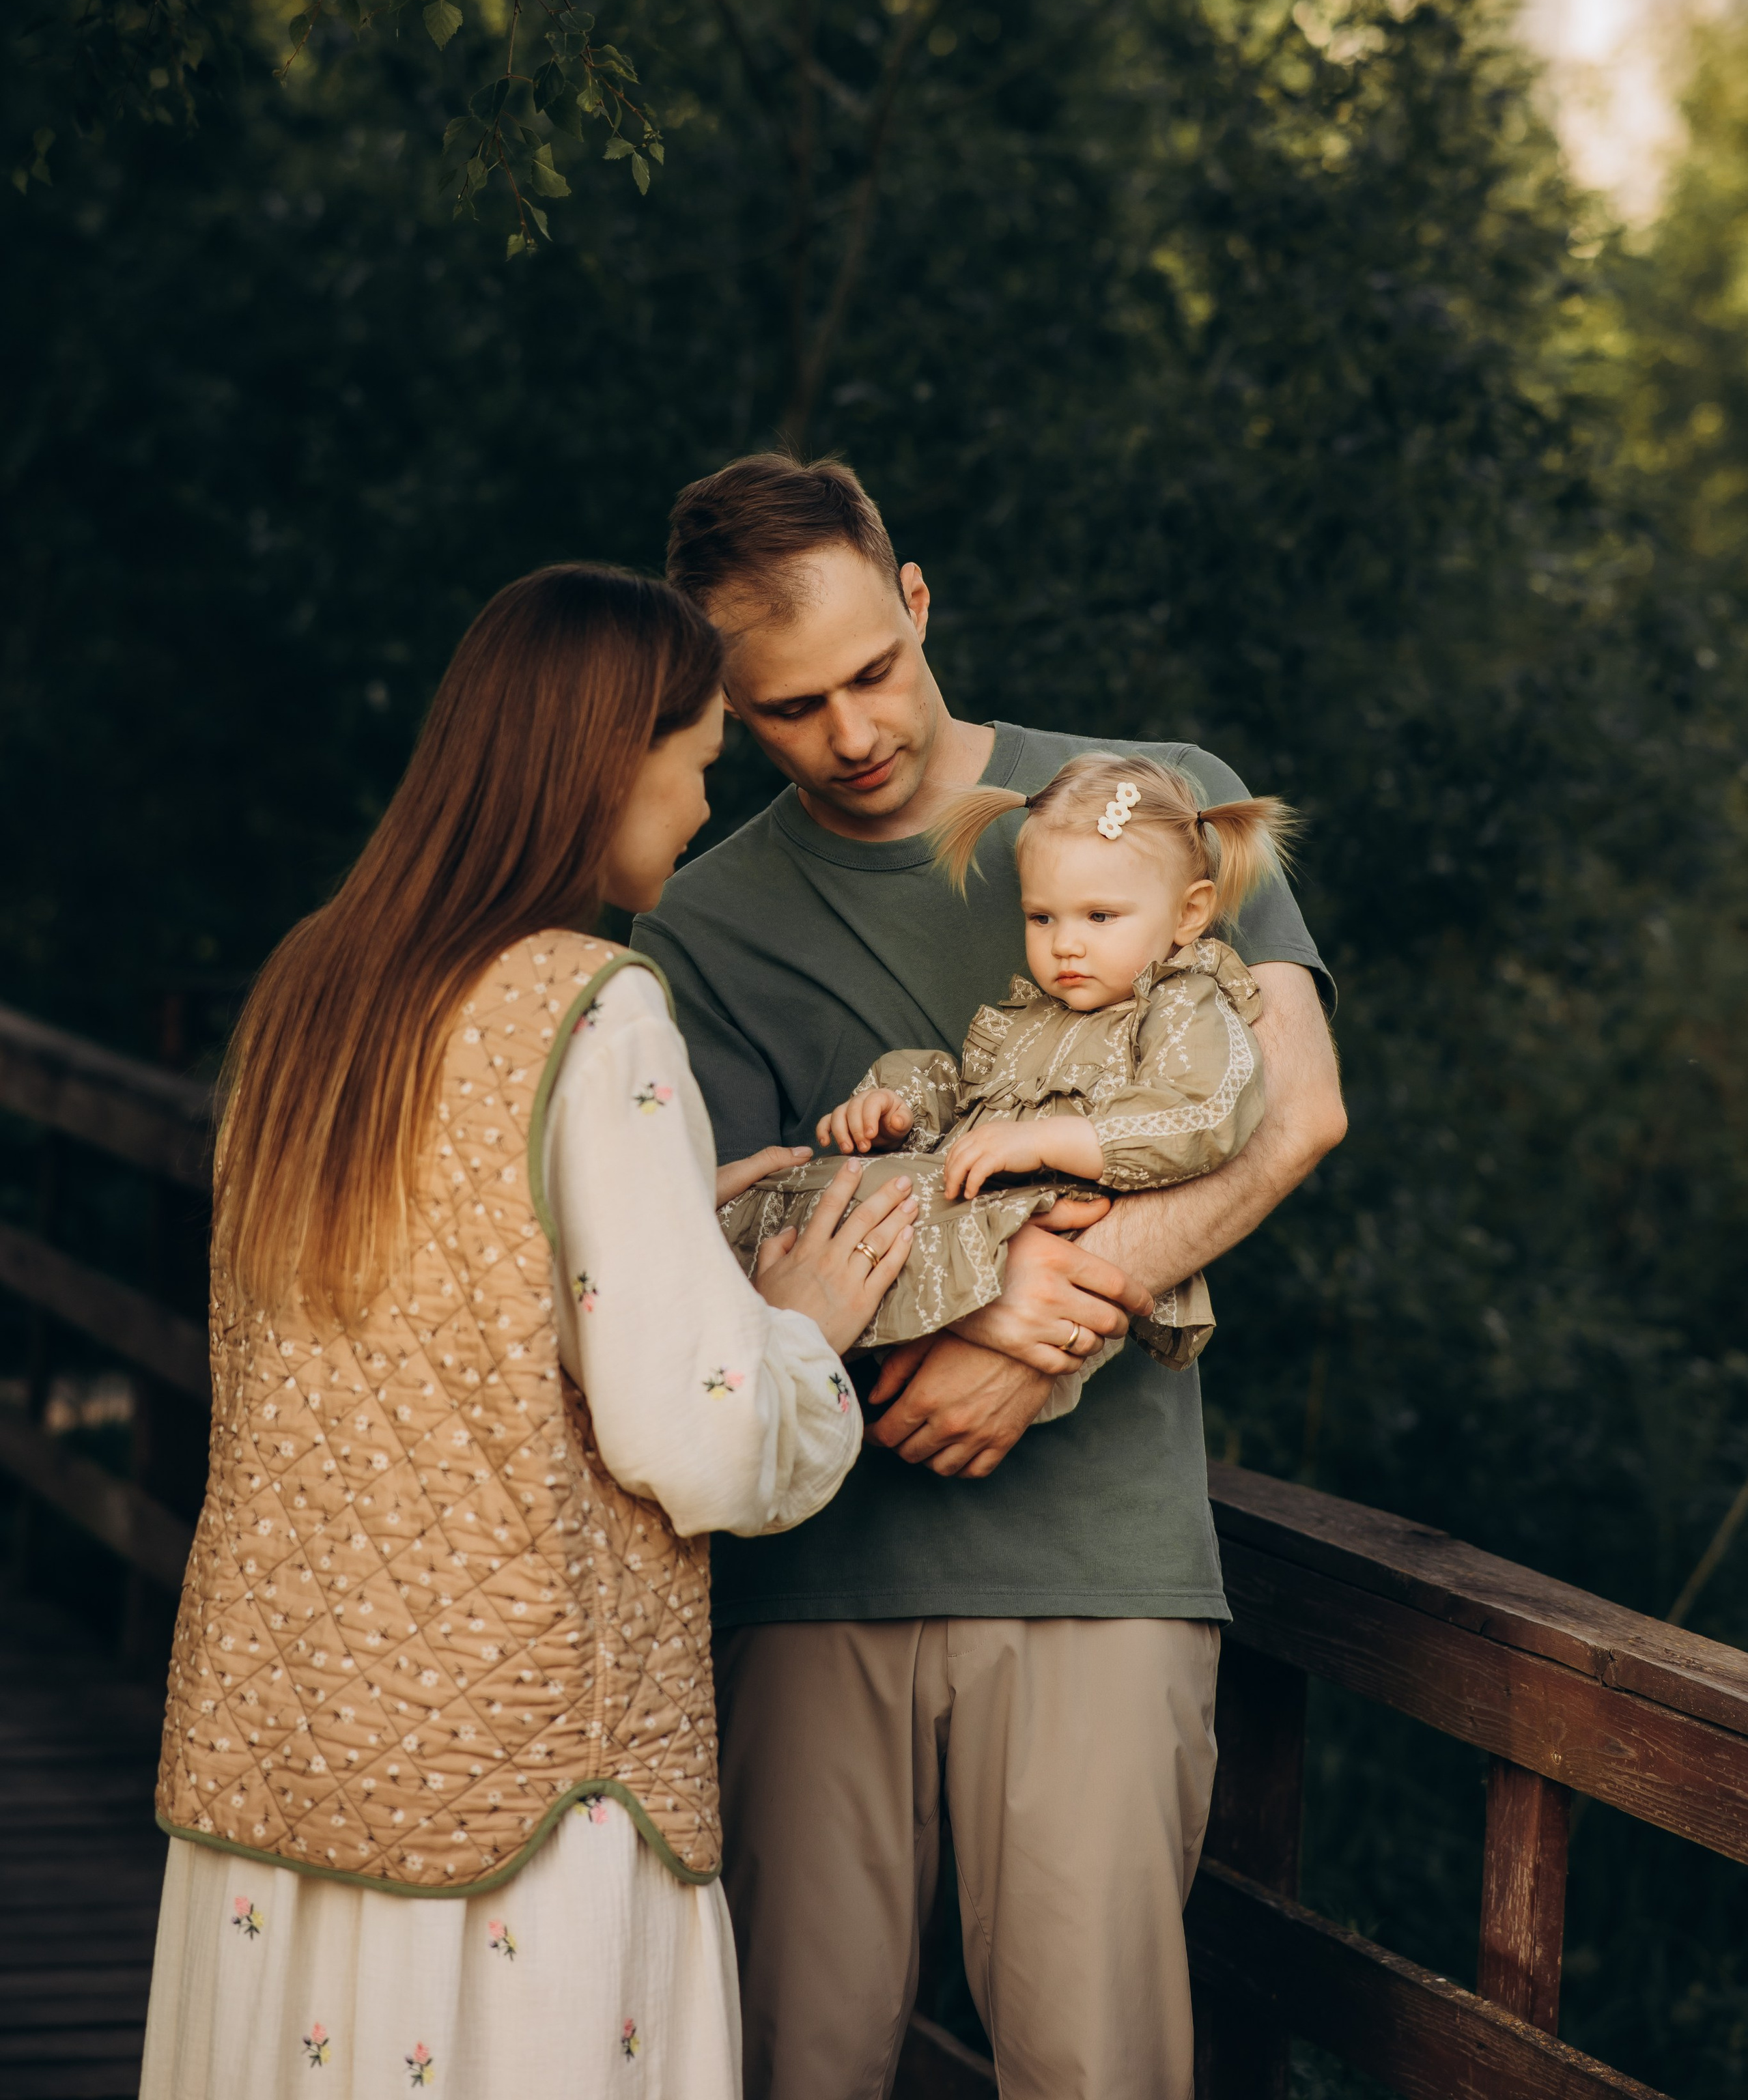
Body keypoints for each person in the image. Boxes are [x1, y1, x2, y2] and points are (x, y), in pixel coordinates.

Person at [140, 563, 918, 2100]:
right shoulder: (596, 1006)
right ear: (606, 757)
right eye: (696, 761)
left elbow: (425, 1284)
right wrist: (797, 1331)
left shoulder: (313, 991)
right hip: (523, 1784)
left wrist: (662, 1209)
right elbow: (692, 1435)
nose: (700, 811)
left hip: (285, 1754)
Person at [633, 455, 1348, 2100]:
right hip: (811, 1582)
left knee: (1091, 2066)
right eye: (790, 706)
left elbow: (1292, 1108)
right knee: (782, 2067)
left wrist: (1039, 1338)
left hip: (1100, 1566)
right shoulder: (699, 918)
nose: (855, 731)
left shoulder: (1159, 802)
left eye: (873, 667)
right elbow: (732, 1244)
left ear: (919, 598)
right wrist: (967, 1298)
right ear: (724, 707)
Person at [720, 752, 1298, 1410]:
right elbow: (965, 1097)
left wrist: (1054, 1140)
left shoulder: (1181, 1001)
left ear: (1190, 913)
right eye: (1042, 917)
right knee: (826, 1188)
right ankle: (765, 1328)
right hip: (991, 1223)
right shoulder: (1033, 1020)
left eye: (1099, 917)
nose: (1066, 945)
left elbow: (1205, 1113)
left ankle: (779, 1348)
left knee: (875, 1205)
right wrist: (893, 1106)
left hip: (1066, 1250)